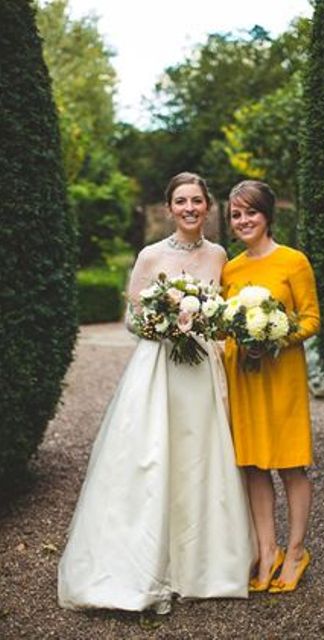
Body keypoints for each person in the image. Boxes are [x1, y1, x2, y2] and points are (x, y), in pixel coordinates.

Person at [58, 172, 255, 614]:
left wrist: (201, 321)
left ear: (208, 207)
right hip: (157, 369)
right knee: (149, 456)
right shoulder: (150, 255)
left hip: (201, 370)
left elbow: (221, 314)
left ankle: (204, 566)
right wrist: (162, 321)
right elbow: (132, 319)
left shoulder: (220, 255)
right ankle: (141, 564)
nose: (189, 208)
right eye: (181, 201)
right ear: (169, 208)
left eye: (197, 201)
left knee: (201, 457)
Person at [222, 180, 320, 593]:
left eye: (251, 212)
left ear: (268, 216)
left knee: (289, 464)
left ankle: (296, 551)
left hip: (281, 378)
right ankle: (267, 551)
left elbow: (312, 318)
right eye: (236, 214)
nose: (243, 221)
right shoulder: (231, 268)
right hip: (243, 377)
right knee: (253, 466)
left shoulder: (294, 262)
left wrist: (274, 336)